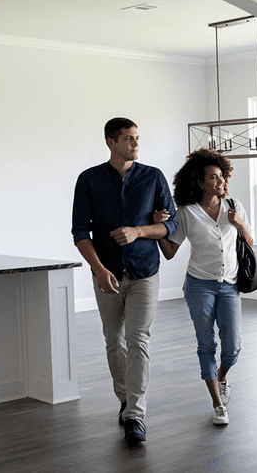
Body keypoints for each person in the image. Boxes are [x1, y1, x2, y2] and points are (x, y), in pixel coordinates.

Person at [71, 117, 178, 447]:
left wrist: (139, 231)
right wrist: (99, 269)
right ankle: (125, 399)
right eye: (128, 139)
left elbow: (171, 226)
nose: (135, 144)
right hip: (107, 274)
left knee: (138, 339)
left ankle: (135, 414)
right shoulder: (88, 180)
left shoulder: (153, 177)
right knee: (114, 340)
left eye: (137, 138)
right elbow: (79, 232)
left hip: (145, 270)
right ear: (110, 141)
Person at [155, 148, 251, 427]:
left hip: (230, 285)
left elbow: (250, 242)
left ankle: (221, 376)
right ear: (199, 182)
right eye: (213, 178)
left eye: (222, 176)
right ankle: (217, 404)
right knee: (206, 344)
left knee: (232, 347)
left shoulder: (234, 205)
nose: (221, 182)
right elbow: (171, 251)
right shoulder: (186, 212)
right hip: (199, 286)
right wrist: (157, 228)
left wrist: (240, 222)